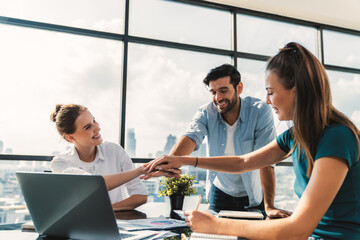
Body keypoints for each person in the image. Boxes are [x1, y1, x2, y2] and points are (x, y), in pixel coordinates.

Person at [145, 42, 360, 239]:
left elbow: (298, 230)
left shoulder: (337, 137)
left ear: (296, 92)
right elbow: (244, 163)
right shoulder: (296, 135)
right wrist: (185, 160)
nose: (267, 100)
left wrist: (217, 224)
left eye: (271, 92)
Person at [166, 64, 289, 217]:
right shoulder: (206, 112)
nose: (218, 98)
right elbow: (191, 136)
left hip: (252, 194)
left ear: (239, 88)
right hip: (220, 192)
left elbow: (266, 160)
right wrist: (170, 161)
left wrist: (269, 205)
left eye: (223, 91)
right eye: (213, 92)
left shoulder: (259, 111)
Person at [50, 104, 149, 211]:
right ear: (70, 137)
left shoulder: (114, 151)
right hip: (80, 224)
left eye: (94, 121)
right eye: (88, 127)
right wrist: (140, 170)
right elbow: (93, 184)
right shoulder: (60, 163)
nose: (97, 128)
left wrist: (105, 211)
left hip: (118, 223)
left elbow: (140, 196)